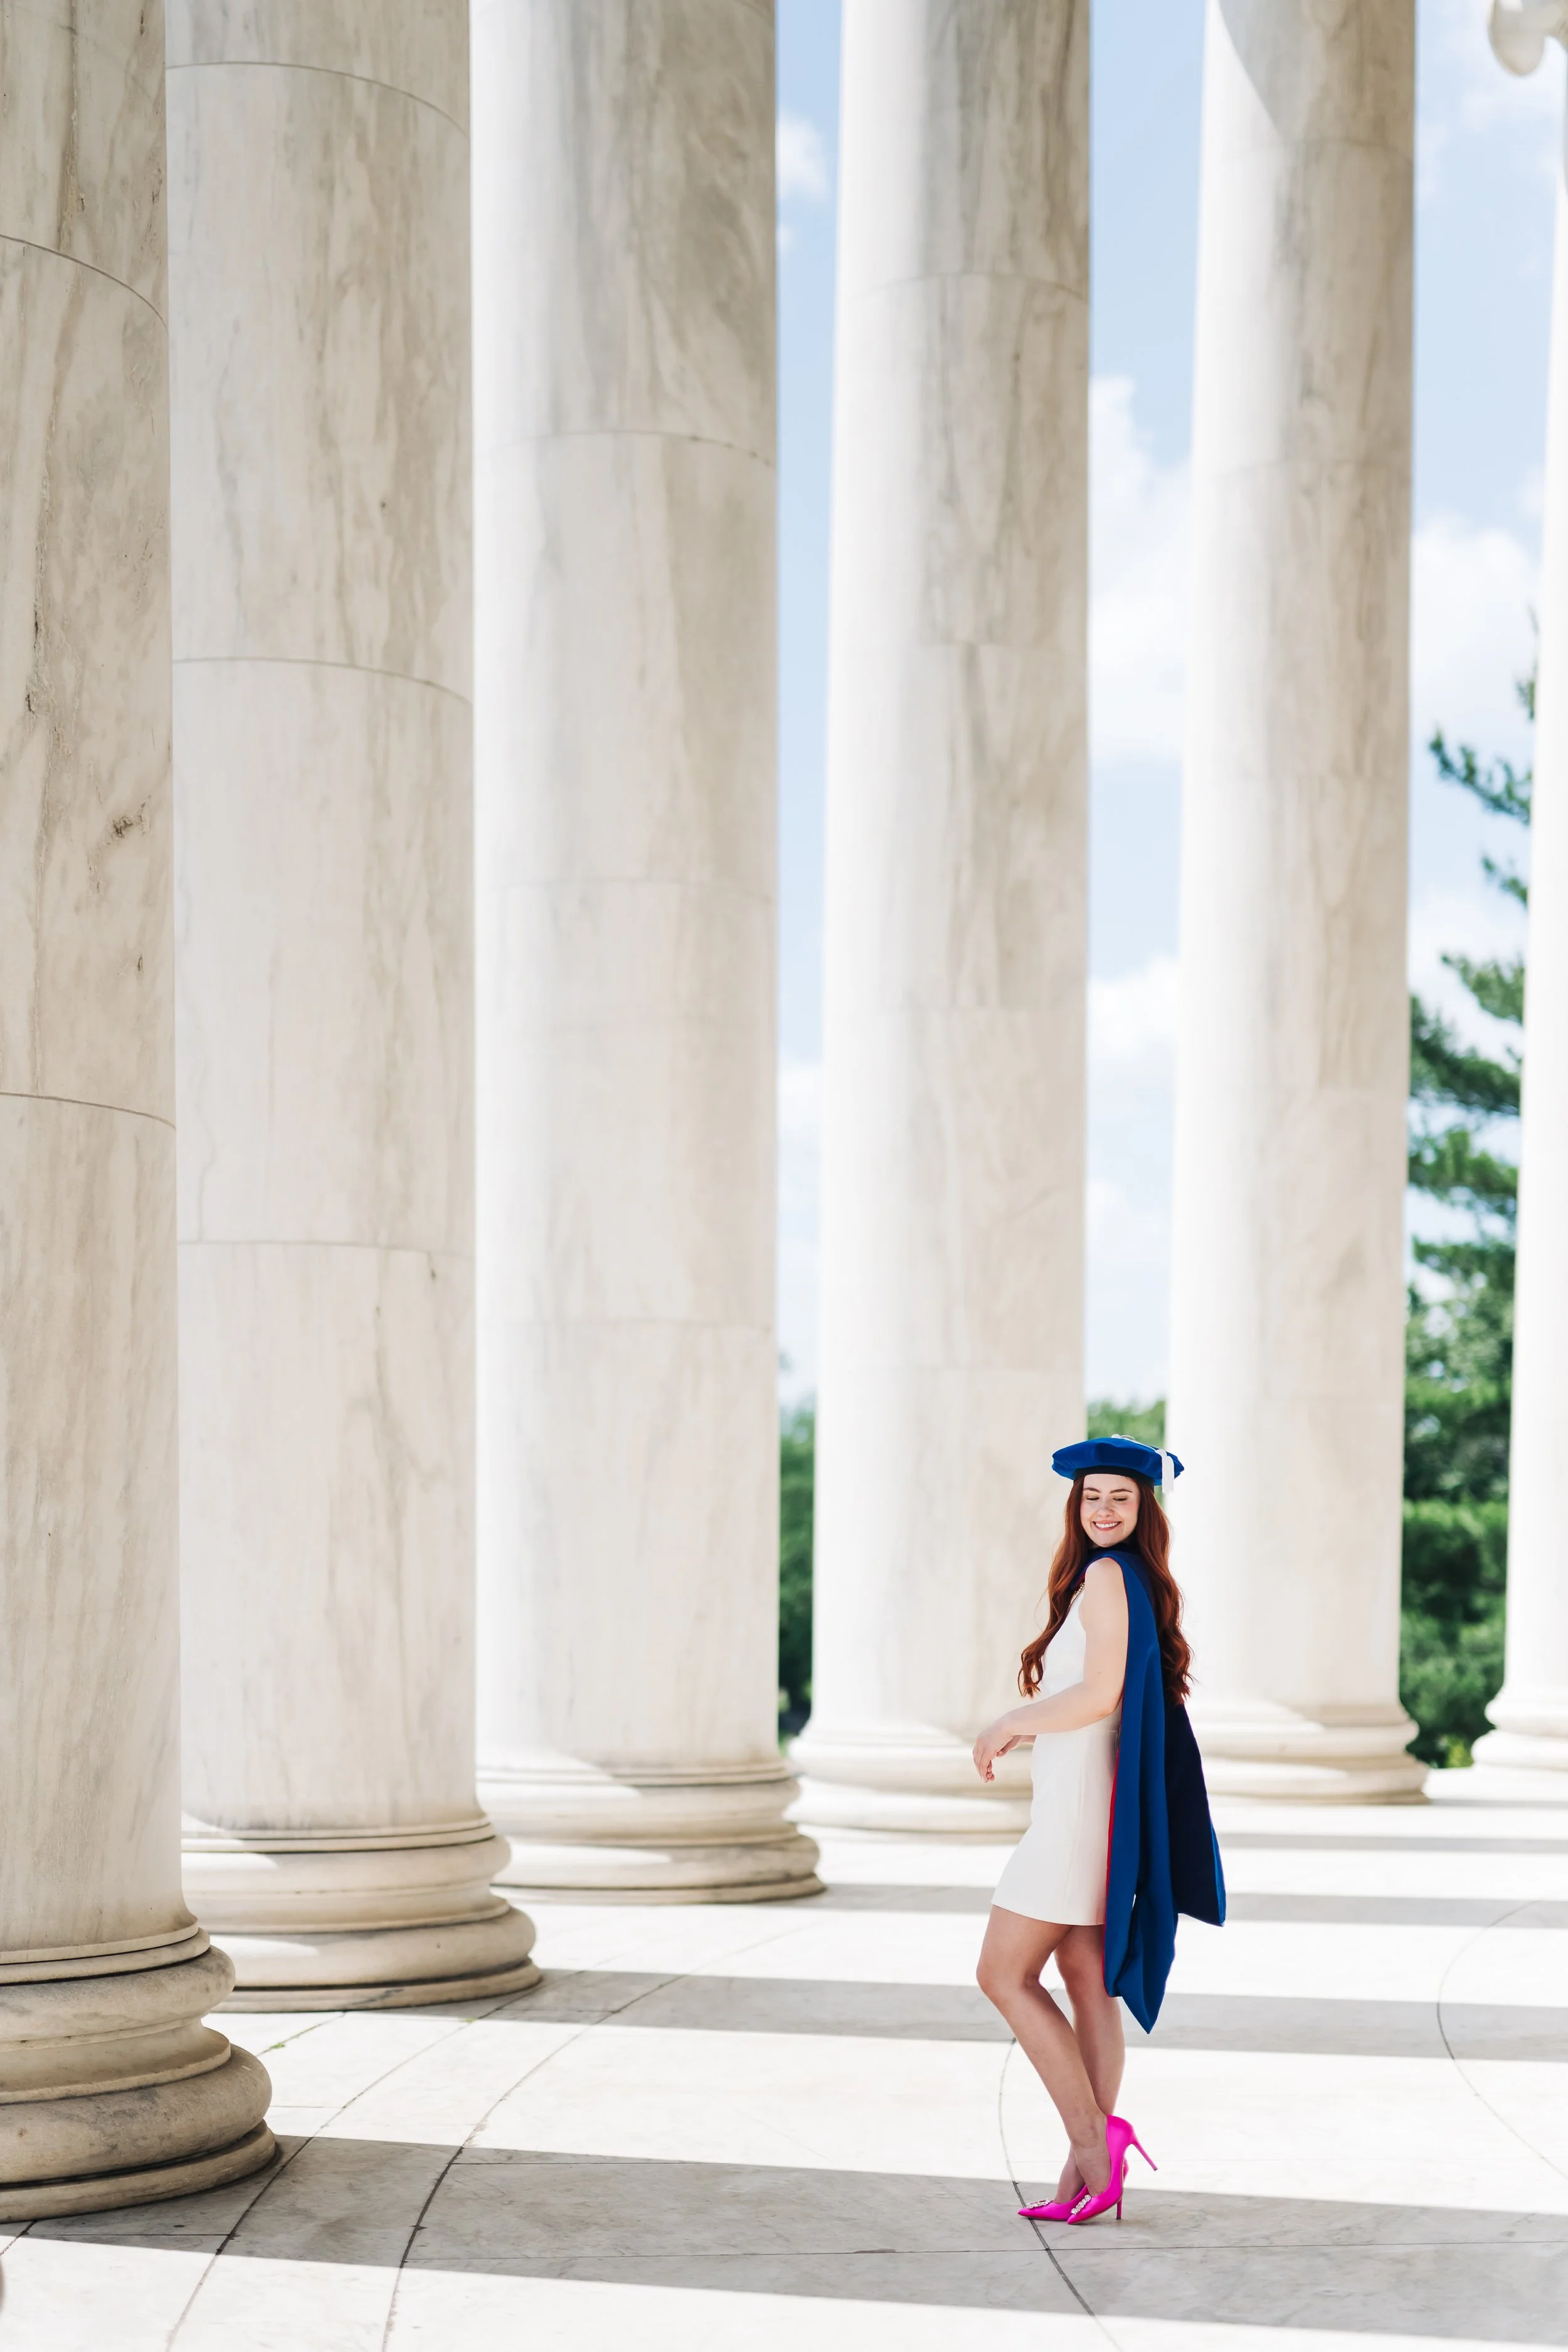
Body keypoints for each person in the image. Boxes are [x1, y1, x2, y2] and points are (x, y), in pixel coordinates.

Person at [973, 1435, 1224, 2223]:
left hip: (1078, 1812)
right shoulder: (1120, 1580)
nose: (1105, 1510)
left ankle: (1093, 2143)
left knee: (1003, 1975)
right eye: (1092, 1498)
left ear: (1143, 1508)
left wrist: (1011, 1721)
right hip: (1085, 1804)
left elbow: (1101, 1693)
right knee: (1086, 1981)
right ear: (1075, 1507)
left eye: (1121, 1497)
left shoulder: (1111, 1577)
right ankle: (1085, 2173)